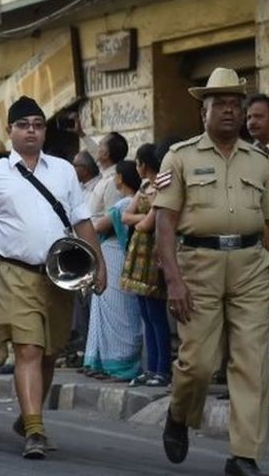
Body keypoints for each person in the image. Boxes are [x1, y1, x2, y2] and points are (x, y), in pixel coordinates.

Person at [0, 95, 106, 460]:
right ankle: (36, 430)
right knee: (28, 349)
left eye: (38, 125)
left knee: (50, 353)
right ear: (9, 132)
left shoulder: (63, 170)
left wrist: (99, 264)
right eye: (24, 125)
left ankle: (29, 416)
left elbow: (82, 219)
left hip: (59, 276)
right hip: (13, 273)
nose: (31, 131)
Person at [155, 67, 269, 476]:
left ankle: (244, 455)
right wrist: (173, 280)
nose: (228, 111)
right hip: (197, 267)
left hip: (252, 267)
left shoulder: (260, 161)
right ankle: (179, 414)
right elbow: (165, 223)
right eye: (218, 104)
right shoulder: (181, 157)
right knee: (198, 364)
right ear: (202, 112)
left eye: (235, 105)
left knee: (251, 362)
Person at [83, 160, 143, 380]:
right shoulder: (132, 201)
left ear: (121, 178)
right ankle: (109, 362)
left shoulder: (124, 204)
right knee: (117, 312)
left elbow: (98, 226)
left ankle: (120, 364)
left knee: (118, 312)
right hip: (115, 260)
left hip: (115, 261)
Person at [121, 143, 171, 388]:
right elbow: (125, 216)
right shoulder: (144, 188)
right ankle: (151, 368)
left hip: (153, 255)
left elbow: (145, 224)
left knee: (156, 316)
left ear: (144, 165)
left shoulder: (159, 189)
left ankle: (162, 369)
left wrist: (140, 220)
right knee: (146, 315)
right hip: (140, 255)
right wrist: (142, 219)